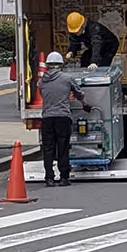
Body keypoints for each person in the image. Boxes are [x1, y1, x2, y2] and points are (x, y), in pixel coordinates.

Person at [38, 51, 91, 187]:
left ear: (48, 65)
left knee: (48, 149)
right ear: (61, 65)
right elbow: (79, 93)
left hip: (47, 118)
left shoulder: (41, 81)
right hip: (63, 117)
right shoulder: (67, 78)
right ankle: (63, 178)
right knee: (63, 147)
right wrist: (85, 105)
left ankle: (49, 178)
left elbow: (42, 94)